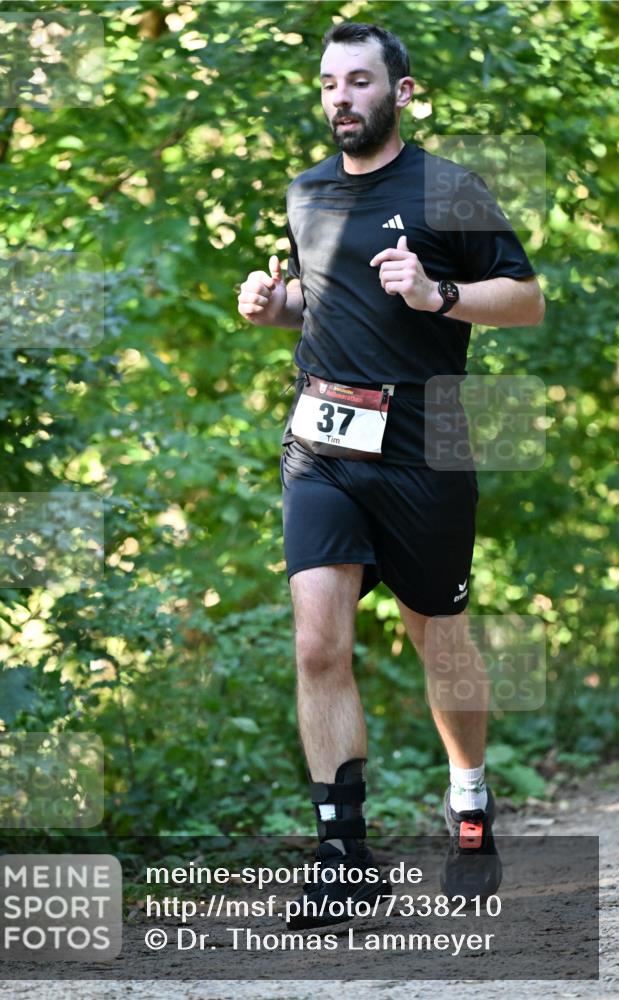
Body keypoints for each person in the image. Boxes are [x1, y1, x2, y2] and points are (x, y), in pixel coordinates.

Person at [237, 21, 545, 929]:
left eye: (359, 81)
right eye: (329, 82)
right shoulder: (306, 192)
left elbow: (523, 302)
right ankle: (343, 856)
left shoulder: (448, 189)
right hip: (322, 443)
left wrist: (437, 294)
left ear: (399, 94)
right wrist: (272, 305)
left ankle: (469, 799)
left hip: (425, 440)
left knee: (435, 637)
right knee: (316, 643)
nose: (340, 97)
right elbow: (321, 302)